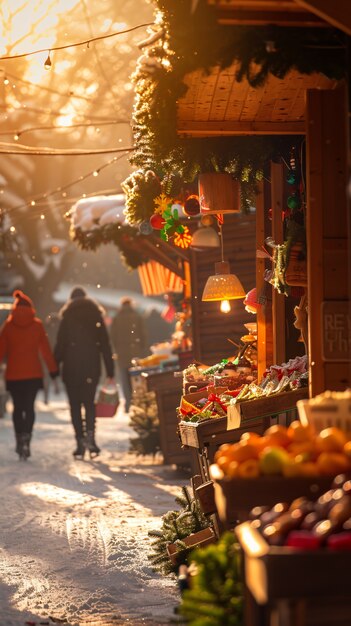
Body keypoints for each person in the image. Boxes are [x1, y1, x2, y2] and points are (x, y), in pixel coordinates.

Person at [54, 286, 115, 459]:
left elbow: (60, 345)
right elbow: (105, 344)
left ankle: (80, 441)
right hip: (91, 367)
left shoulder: (67, 317)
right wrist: (110, 369)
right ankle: (91, 439)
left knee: (75, 405)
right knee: (89, 404)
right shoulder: (95, 315)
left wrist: (54, 368)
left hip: (71, 368)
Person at [0, 290, 59, 460]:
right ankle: (27, 437)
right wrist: (53, 372)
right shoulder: (37, 325)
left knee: (18, 408)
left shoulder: (9, 326)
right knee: (29, 407)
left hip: (14, 375)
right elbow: (46, 351)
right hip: (33, 374)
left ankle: (20, 437)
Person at [110, 297, 146, 412]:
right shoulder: (137, 317)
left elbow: (112, 336)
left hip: (121, 354)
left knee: (124, 379)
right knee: (136, 379)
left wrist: (117, 349)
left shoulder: (117, 318)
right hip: (135, 352)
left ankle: (128, 402)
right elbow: (143, 334)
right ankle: (138, 402)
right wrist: (141, 348)